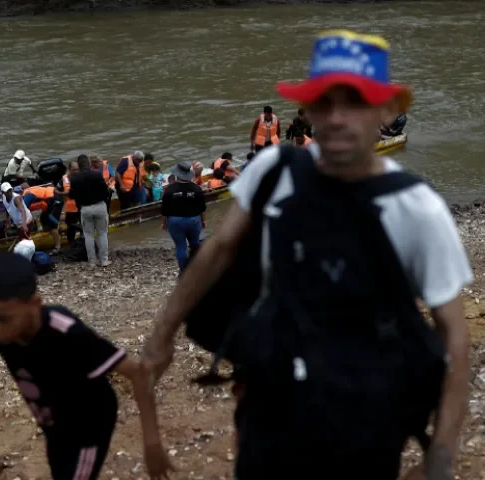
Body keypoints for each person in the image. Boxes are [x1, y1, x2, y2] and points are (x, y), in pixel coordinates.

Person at [143, 30, 472, 480]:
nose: (337, 118)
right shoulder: (273, 172)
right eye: (325, 102)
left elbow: (454, 335)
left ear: (386, 110)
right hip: (271, 405)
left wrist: (442, 455)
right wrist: (161, 336)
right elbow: (218, 250)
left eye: (354, 102)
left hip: (368, 417)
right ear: (308, 110)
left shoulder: (417, 210)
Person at [0, 253, 173, 480]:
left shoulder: (67, 333)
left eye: (3, 320)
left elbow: (139, 373)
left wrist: (152, 442)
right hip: (54, 426)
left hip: (89, 426)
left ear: (35, 304)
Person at [161, 162, 206, 272]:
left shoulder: (169, 190)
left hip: (175, 221)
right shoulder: (197, 189)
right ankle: (197, 267)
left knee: (180, 246)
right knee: (195, 243)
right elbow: (202, 208)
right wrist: (203, 221)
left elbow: (164, 210)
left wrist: (164, 223)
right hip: (194, 220)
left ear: (177, 174)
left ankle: (184, 271)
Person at [68, 156, 111, 267]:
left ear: (79, 165)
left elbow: (71, 195)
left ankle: (92, 261)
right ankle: (104, 260)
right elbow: (106, 191)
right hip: (99, 206)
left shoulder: (74, 178)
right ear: (88, 163)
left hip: (85, 208)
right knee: (102, 233)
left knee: (88, 235)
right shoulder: (96, 174)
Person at [55, 161, 80, 243]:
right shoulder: (63, 179)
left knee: (83, 225)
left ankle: (83, 240)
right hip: (70, 209)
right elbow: (56, 191)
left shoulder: (81, 177)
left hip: (81, 207)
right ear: (69, 169)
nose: (76, 172)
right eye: (74, 170)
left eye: (77, 169)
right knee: (70, 227)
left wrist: (64, 193)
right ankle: (71, 243)